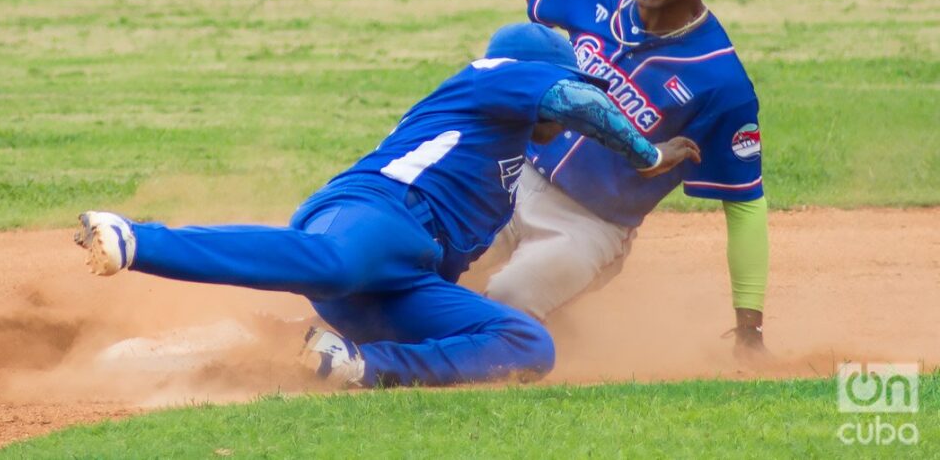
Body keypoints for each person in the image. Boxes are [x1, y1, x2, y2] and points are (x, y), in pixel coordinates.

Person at [75, 22, 700, 388]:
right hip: (375, 212)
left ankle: (359, 368)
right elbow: (579, 103)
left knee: (527, 343)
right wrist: (647, 155)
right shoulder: (496, 75)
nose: (561, 117)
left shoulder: (503, 162)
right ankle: (137, 239)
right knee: (338, 264)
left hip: (402, 275)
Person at [489, 0, 770, 359]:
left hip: (589, 228)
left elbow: (745, 204)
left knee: (502, 300)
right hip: (513, 176)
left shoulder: (720, 80)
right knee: (428, 260)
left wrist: (750, 330)